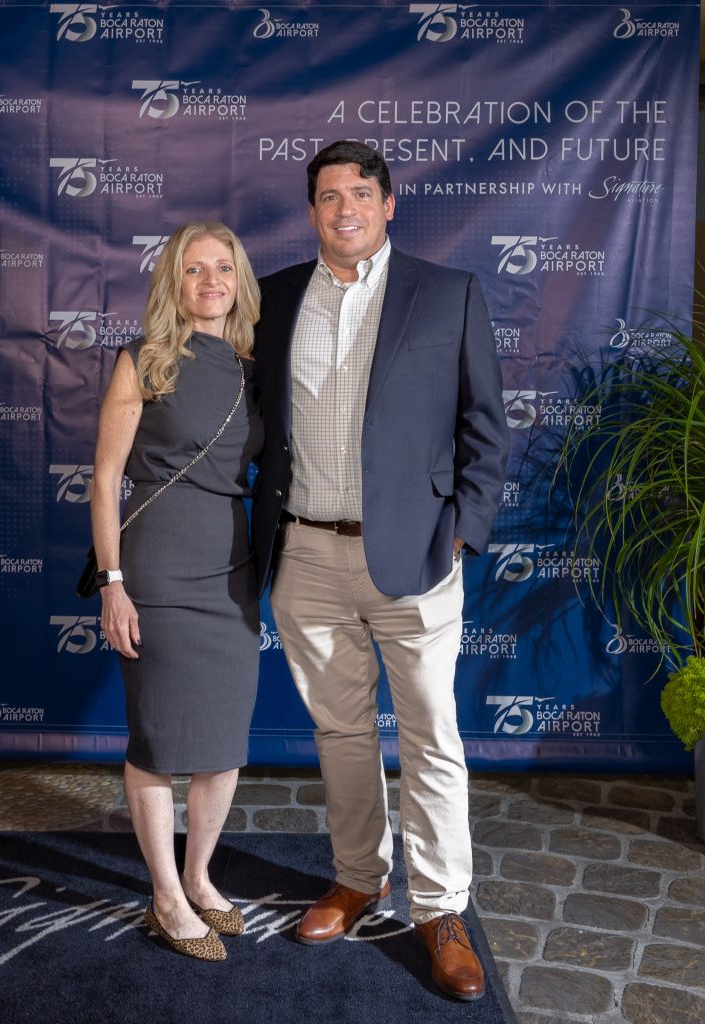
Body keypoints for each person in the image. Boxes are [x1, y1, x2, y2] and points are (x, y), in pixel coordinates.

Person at [252, 141, 509, 1000]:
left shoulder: (449, 293)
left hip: (418, 554)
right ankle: (359, 878)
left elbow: (485, 425)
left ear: (389, 203)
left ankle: (440, 908)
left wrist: (462, 533)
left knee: (431, 734)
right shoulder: (275, 297)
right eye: (329, 196)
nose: (345, 208)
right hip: (306, 553)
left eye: (360, 192)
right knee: (340, 731)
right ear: (312, 211)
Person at [90, 222, 263, 963]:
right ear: (173, 281)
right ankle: (164, 895)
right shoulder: (144, 360)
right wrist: (113, 584)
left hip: (232, 570)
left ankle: (198, 876)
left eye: (223, 267)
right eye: (194, 269)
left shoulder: (255, 367)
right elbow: (105, 479)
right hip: (157, 566)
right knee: (159, 738)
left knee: (223, 744)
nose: (211, 281)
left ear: (239, 280)